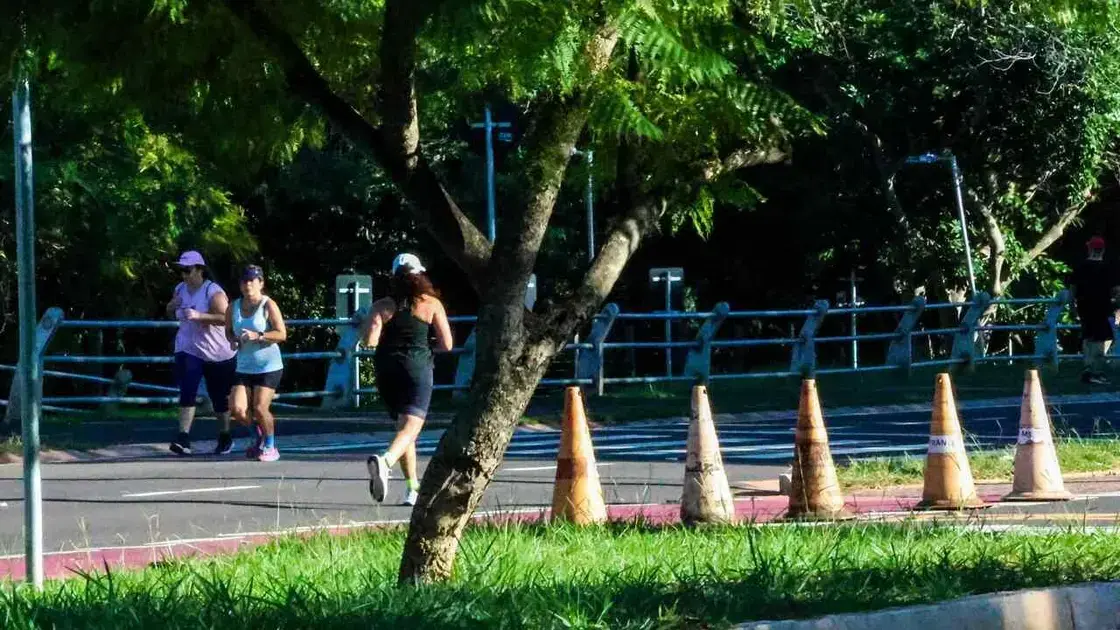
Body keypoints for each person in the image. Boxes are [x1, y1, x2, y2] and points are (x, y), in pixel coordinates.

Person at [363, 253, 453, 506]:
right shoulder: (431, 304)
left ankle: (412, 488)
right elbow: (447, 344)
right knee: (412, 427)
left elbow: (370, 341)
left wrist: (365, 323)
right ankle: (386, 461)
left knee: (404, 429)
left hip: (387, 370)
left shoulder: (382, 306)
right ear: (420, 275)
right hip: (417, 368)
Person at [166, 250, 238, 456]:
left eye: (188, 270)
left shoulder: (212, 292)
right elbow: (170, 312)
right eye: (181, 271)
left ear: (199, 270)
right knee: (187, 390)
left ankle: (225, 436)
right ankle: (183, 438)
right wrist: (171, 306)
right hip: (189, 348)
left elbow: (225, 318)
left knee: (219, 398)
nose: (184, 275)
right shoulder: (180, 289)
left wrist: (199, 315)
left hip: (216, 351)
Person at [226, 264, 287, 461]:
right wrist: (234, 340)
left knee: (260, 408)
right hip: (244, 366)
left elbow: (281, 334)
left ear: (261, 283)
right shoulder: (233, 307)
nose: (247, 285)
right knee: (237, 410)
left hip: (268, 366)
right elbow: (229, 331)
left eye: (252, 281)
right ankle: (259, 435)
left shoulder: (268, 305)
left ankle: (270, 446)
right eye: (244, 281)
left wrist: (258, 335)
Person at [1069, 236, 1120, 385]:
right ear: (1102, 250)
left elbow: (1072, 291)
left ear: (1090, 249)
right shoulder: (1108, 268)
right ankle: (1095, 372)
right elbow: (1117, 291)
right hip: (1103, 309)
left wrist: (1073, 309)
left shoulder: (1080, 267)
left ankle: (1088, 369)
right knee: (1103, 341)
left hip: (1084, 309)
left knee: (1088, 339)